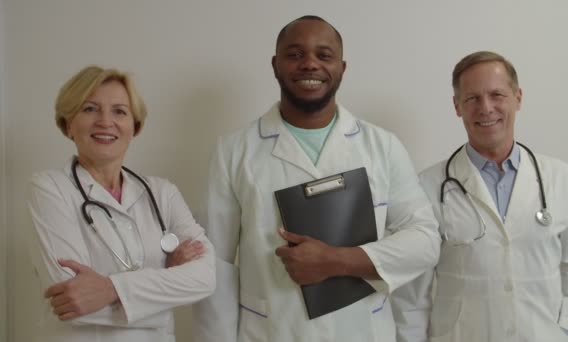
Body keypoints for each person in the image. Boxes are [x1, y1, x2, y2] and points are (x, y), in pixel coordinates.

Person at [193, 15, 440, 342]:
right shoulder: (234, 150)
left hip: (363, 331)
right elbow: (216, 267)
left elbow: (425, 241)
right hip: (273, 332)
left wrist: (338, 261)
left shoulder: (383, 146)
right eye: (295, 54)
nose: (310, 64)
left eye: (324, 55)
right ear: (275, 64)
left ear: (342, 67)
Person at [392, 51, 568, 342]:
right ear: (457, 106)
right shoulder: (429, 186)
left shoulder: (560, 177)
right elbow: (411, 296)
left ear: (518, 98)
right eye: (472, 99)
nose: (486, 108)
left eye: (497, 95)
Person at [27, 65, 216, 342]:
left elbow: (206, 277)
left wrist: (109, 289)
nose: (105, 121)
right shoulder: (49, 188)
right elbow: (71, 301)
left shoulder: (162, 193)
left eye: (119, 111)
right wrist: (167, 291)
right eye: (90, 109)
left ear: (134, 126)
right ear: (68, 124)